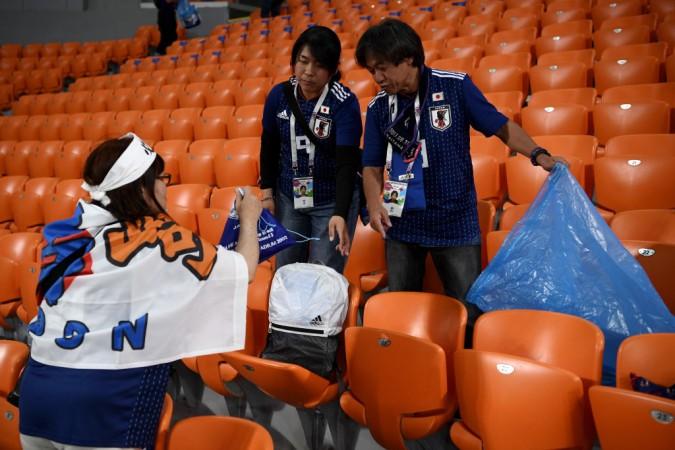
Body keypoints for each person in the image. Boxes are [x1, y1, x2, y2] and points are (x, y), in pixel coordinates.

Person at [18, 133, 262, 450]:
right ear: (142, 189)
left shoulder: (70, 231)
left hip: (38, 391)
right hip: (103, 403)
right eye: (161, 178)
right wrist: (249, 218)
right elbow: (244, 271)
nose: (166, 186)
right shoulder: (158, 236)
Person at [357, 19, 566, 323]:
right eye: (371, 71)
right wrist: (374, 203)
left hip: (454, 220)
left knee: (467, 308)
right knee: (401, 306)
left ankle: (466, 362)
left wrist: (538, 154)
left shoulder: (454, 86)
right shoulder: (378, 108)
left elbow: (500, 126)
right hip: (402, 222)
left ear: (408, 58)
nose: (377, 77)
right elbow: (372, 165)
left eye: (383, 67)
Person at [259, 26, 362, 274]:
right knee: (286, 270)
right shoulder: (279, 95)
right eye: (303, 61)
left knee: (322, 274)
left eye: (318, 65)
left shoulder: (343, 102)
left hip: (330, 201)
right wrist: (267, 194)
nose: (308, 72)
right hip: (289, 198)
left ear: (333, 69)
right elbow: (269, 145)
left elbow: (347, 163)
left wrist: (340, 213)